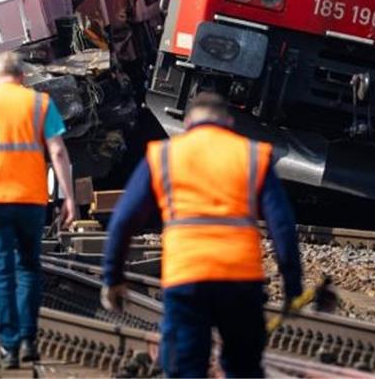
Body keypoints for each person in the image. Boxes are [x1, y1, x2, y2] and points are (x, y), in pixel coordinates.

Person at [101, 92, 303, 378]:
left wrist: (113, 278)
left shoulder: (165, 154)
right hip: (240, 280)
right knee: (244, 368)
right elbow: (282, 224)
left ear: (187, 123)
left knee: (186, 368)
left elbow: (123, 220)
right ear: (229, 122)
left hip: (186, 278)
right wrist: (292, 284)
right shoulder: (251, 154)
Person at [0, 52, 77, 370]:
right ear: (22, 77)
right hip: (30, 200)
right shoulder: (39, 103)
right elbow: (59, 151)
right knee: (28, 269)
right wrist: (69, 198)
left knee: (1, 273)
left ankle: (9, 348)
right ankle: (29, 341)